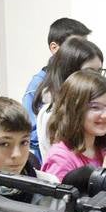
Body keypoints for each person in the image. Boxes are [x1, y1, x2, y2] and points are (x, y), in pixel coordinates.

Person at [39, 70, 106, 182]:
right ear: (74, 109)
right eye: (95, 107)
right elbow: (60, 199)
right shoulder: (61, 158)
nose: (105, 115)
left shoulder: (100, 149)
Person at [23, 17, 92, 158]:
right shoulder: (38, 86)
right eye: (76, 46)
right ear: (54, 47)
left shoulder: (79, 79)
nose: (82, 52)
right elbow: (31, 134)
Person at [33, 36, 106, 160]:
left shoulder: (87, 106)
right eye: (90, 71)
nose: (97, 77)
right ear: (70, 71)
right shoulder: (52, 112)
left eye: (99, 71)